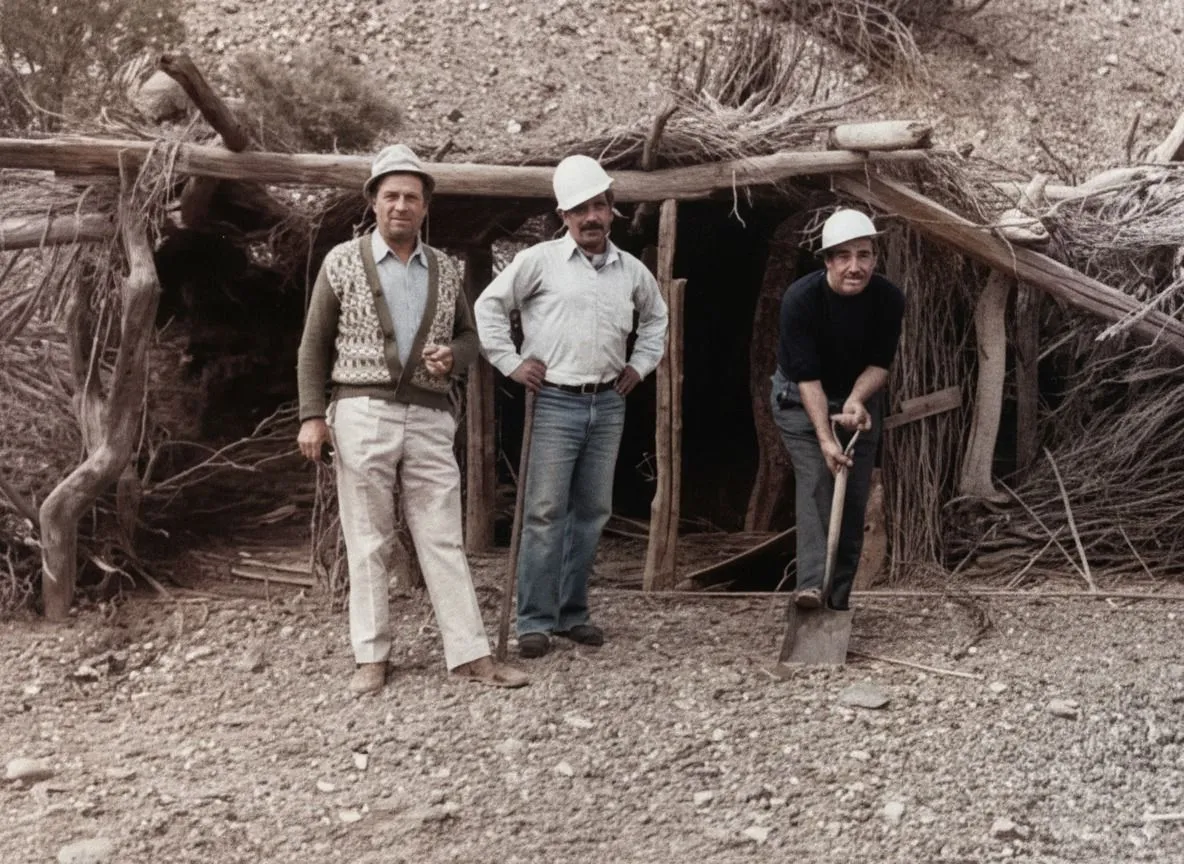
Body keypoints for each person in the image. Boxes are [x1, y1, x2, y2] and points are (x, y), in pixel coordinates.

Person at [296, 143, 528, 695]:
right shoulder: (342, 261)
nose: (401, 206)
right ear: (373, 202)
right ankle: (371, 656)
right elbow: (313, 345)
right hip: (361, 411)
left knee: (441, 534)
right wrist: (312, 416)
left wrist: (455, 355)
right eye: (391, 195)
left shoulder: (445, 269)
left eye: (413, 198)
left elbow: (471, 337)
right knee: (368, 537)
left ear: (426, 208)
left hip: (428, 416)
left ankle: (469, 654)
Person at [474, 155, 669, 659]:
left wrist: (640, 366)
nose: (591, 217)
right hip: (554, 402)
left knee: (592, 512)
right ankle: (534, 620)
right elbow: (489, 307)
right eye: (579, 208)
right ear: (563, 215)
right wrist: (510, 362)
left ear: (612, 210)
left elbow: (656, 321)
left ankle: (572, 613)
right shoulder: (538, 262)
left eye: (599, 205)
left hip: (607, 403)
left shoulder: (632, 271)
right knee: (542, 513)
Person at [771, 208, 905, 612]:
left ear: (875, 258)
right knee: (818, 483)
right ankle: (811, 588)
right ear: (827, 261)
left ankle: (838, 599)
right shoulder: (801, 300)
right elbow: (807, 379)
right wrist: (827, 439)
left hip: (854, 404)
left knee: (853, 497)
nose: (854, 267)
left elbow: (879, 364)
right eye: (843, 256)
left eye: (863, 255)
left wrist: (855, 400)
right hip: (799, 401)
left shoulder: (888, 299)